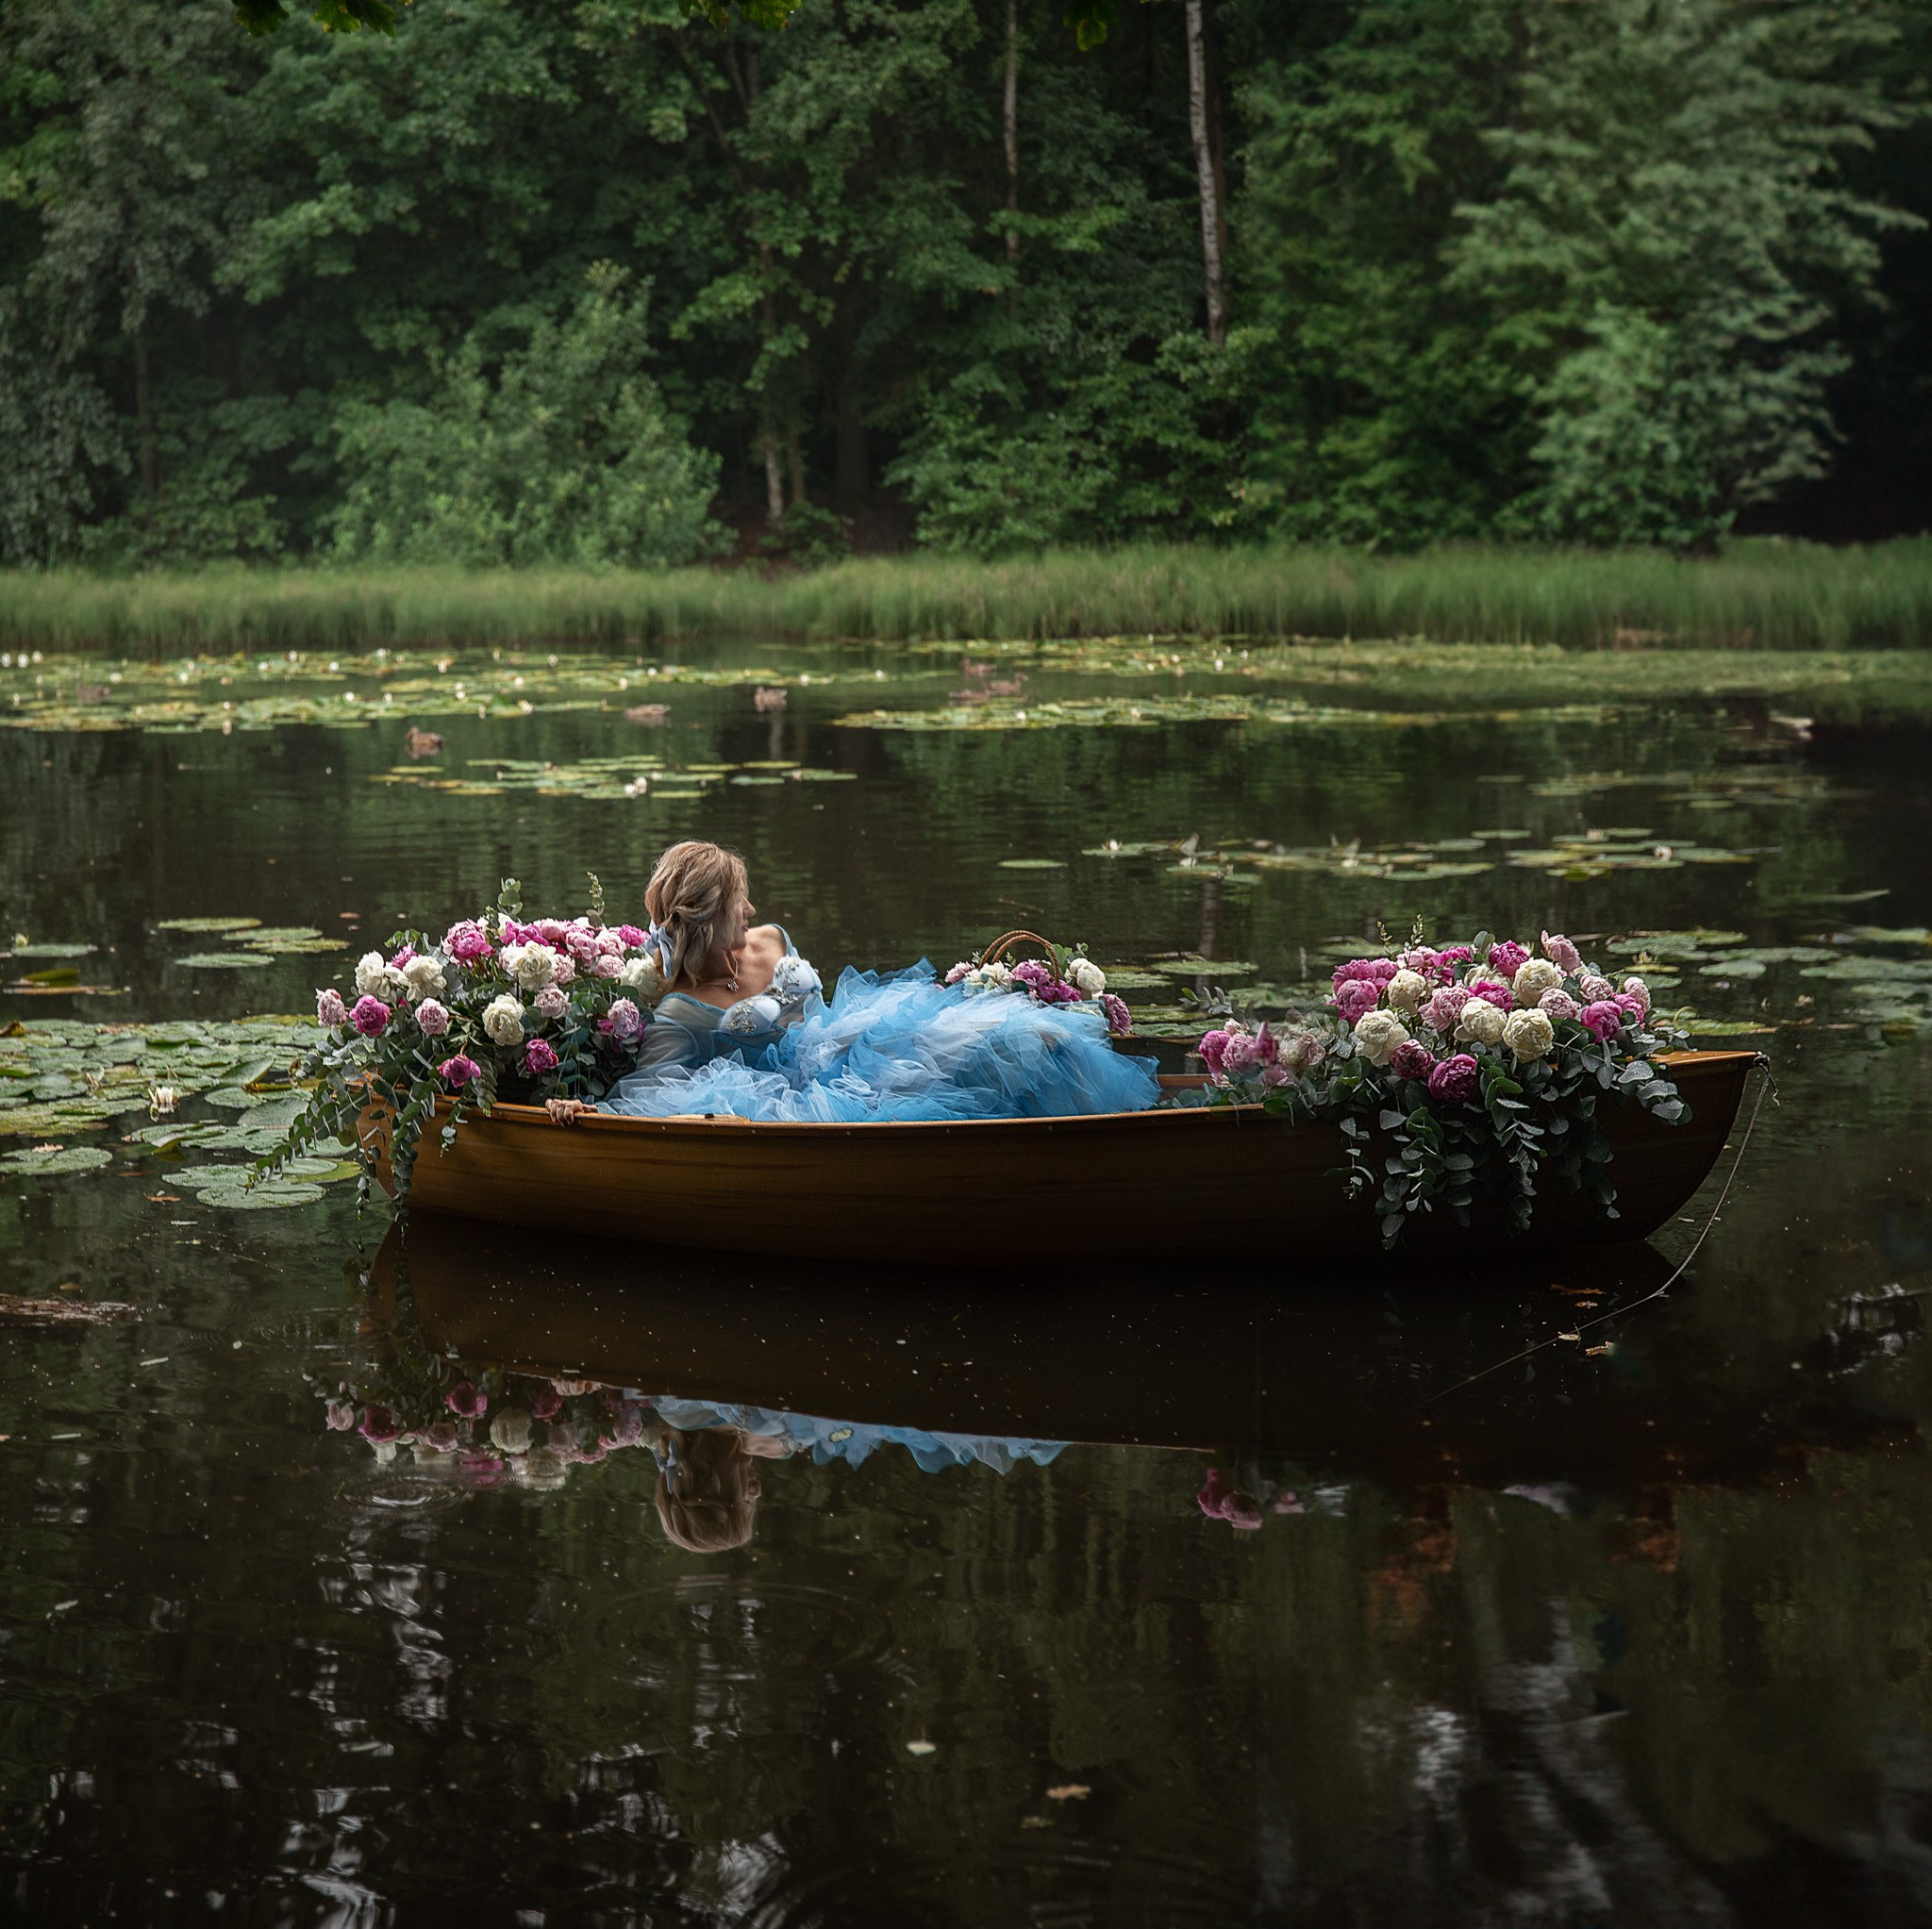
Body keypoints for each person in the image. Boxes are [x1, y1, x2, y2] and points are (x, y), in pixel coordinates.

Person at [546, 838, 1158, 1126]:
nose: (753, 911)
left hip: (858, 1043)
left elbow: (818, 1014)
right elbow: (650, 1097)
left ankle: (1076, 1122)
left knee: (1008, 1038)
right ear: (706, 918)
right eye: (740, 903)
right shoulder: (680, 1010)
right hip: (797, 1098)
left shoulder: (771, 940)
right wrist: (583, 1109)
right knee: (924, 1102)